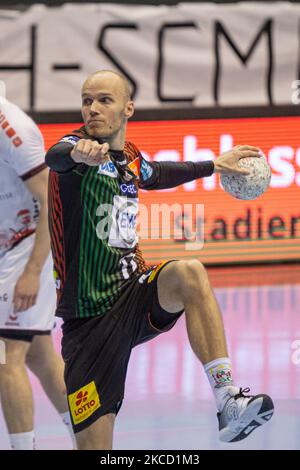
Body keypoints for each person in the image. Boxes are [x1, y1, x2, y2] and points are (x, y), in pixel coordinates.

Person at [45, 70, 274, 450]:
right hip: (88, 322)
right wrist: (75, 152)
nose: (93, 109)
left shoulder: (130, 158)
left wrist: (213, 165)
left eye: (105, 100)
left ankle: (228, 400)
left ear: (128, 108)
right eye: (87, 101)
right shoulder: (75, 148)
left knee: (189, 272)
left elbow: (157, 174)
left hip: (133, 293)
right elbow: (56, 157)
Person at [0, 96, 76, 450]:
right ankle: (90, 435)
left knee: (4, 356)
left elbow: (50, 195)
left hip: (28, 247)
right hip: (8, 247)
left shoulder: (10, 126)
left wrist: (32, 271)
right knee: (39, 355)